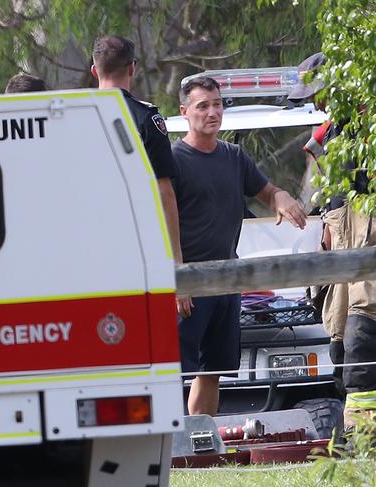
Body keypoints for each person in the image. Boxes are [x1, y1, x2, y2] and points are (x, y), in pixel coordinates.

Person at [290, 53, 376, 447]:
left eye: (320, 93)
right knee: (342, 349)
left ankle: (365, 440)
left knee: (365, 340)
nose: (316, 103)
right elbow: (320, 203)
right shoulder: (323, 137)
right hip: (339, 252)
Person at [173, 76, 307, 416]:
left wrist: (282, 198)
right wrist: (176, 281)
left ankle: (199, 445)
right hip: (185, 284)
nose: (212, 112)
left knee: (212, 371)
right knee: (173, 373)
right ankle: (169, 452)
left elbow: (268, 191)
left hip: (227, 281)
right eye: (203, 106)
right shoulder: (172, 160)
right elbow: (156, 226)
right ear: (184, 112)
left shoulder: (233, 156)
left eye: (217, 104)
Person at [91, 35, 190, 316]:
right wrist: (177, 265)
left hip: (86, 255)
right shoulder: (146, 119)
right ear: (132, 68)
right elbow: (164, 193)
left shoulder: (70, 119)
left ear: (95, 70)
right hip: (136, 254)